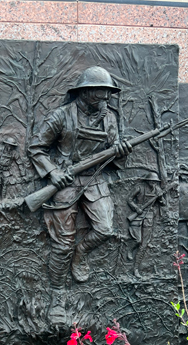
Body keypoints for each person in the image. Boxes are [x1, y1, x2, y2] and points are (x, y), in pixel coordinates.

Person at [28, 66, 132, 324]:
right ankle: (57, 299)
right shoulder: (60, 116)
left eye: (108, 93)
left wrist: (121, 152)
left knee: (105, 229)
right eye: (100, 92)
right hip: (64, 182)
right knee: (62, 244)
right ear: (85, 92)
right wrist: (52, 173)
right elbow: (36, 148)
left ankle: (81, 253)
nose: (106, 98)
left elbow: (112, 158)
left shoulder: (110, 119)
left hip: (95, 180)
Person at [127, 171, 164, 278]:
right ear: (148, 181)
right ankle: (130, 249)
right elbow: (129, 199)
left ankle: (136, 269)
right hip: (138, 214)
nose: (153, 183)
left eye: (155, 182)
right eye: (152, 181)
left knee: (144, 244)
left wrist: (160, 197)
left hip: (149, 217)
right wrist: (136, 208)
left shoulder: (157, 190)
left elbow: (164, 203)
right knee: (137, 240)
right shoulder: (139, 187)